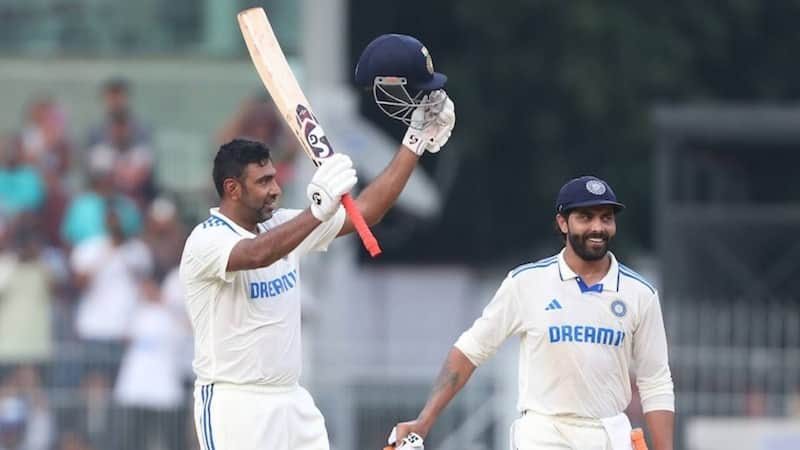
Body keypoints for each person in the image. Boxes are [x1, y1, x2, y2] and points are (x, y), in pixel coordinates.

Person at [179, 33, 455, 450]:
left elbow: (367, 211)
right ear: (232, 189)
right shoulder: (206, 240)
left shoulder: (284, 225)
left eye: (274, 178)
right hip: (236, 403)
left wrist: (414, 141)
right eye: (263, 183)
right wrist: (317, 210)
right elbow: (256, 254)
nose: (275, 190)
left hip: (291, 398)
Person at [389, 176, 675, 450]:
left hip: (608, 434)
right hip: (543, 434)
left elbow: (655, 381)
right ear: (562, 223)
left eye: (606, 218)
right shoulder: (526, 283)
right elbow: (470, 350)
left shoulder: (639, 293)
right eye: (586, 217)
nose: (597, 227)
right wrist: (424, 421)